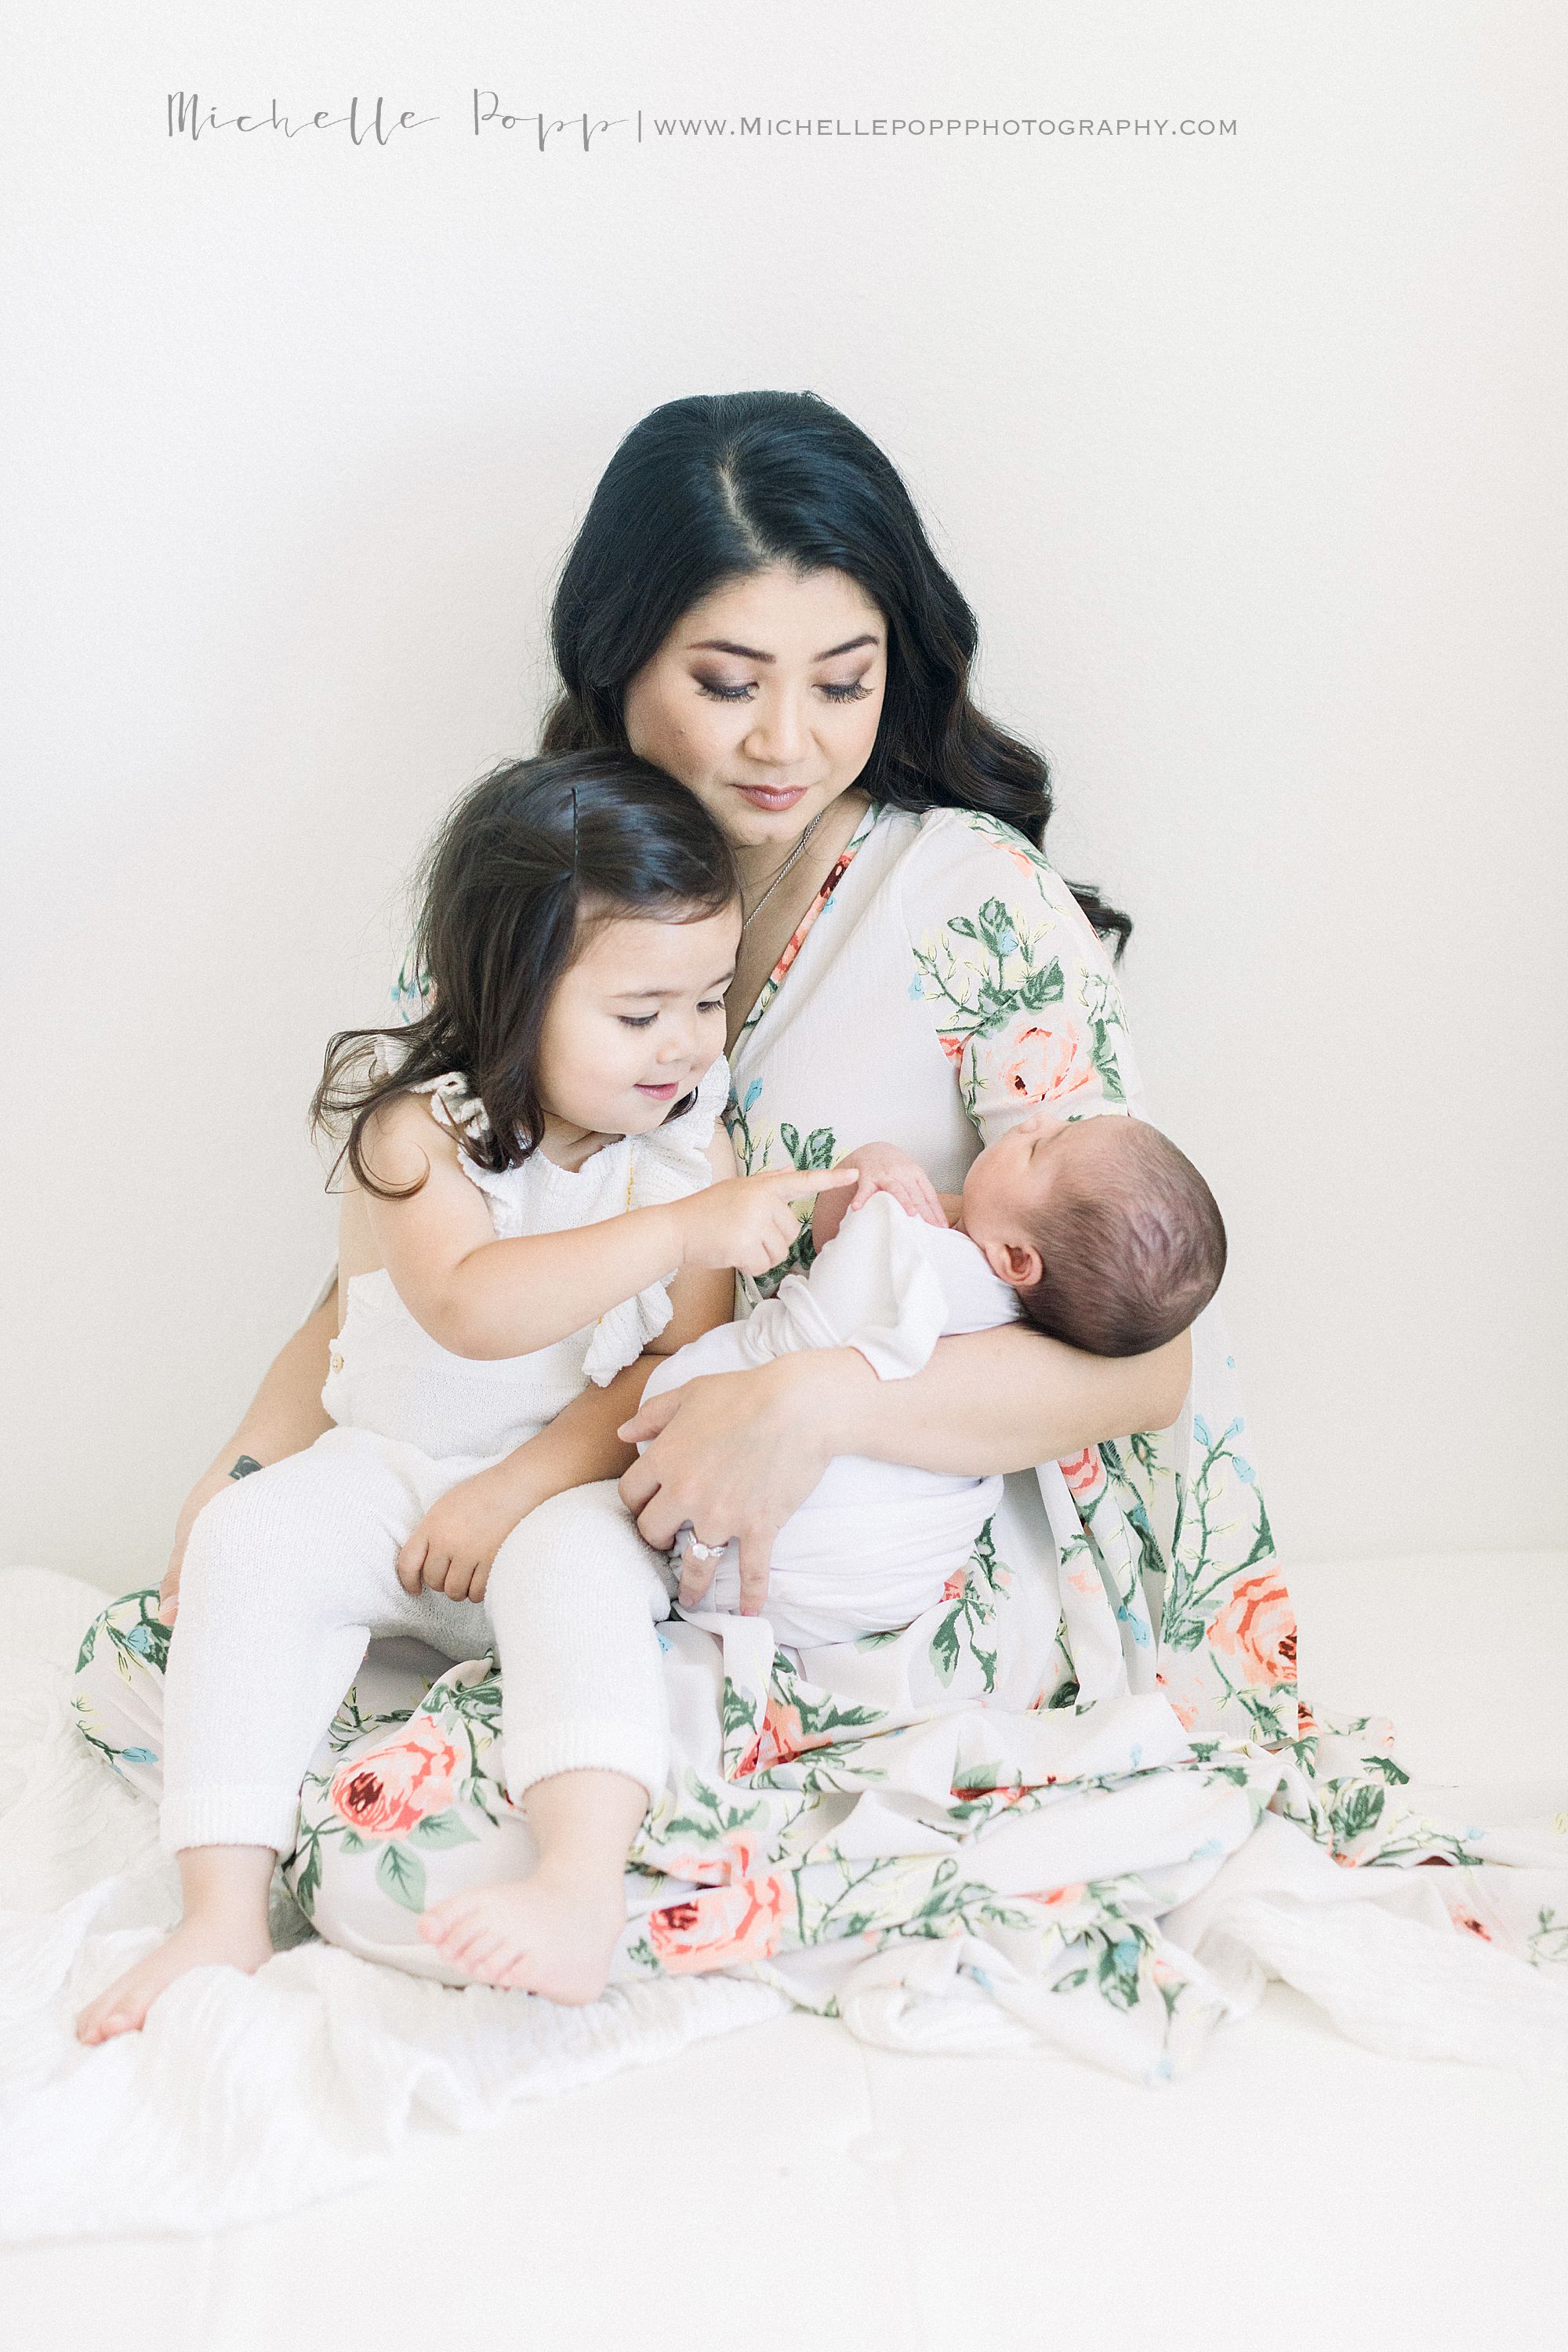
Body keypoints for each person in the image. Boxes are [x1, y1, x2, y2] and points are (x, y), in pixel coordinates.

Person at [78, 392, 1311, 2032]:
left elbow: (1142, 1369)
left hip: (832, 1556)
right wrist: (237, 1473)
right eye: (727, 683)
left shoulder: (976, 906)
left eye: (841, 682)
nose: (782, 742)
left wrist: (801, 1404)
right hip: (517, 1477)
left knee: (449, 1832)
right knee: (192, 1670)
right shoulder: (533, 887)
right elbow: (387, 1275)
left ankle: (598, 1849)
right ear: (620, 663)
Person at [74, 750, 862, 2040]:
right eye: (638, 1012)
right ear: (511, 995)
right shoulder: (415, 1129)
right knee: (251, 1541)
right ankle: (220, 1908)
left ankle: (576, 1882)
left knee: (587, 1569)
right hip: (387, 1472)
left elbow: (667, 1370)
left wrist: (516, 1489)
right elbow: (469, 1305)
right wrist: (679, 1237)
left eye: (709, 1001)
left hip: (556, 1486)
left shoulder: (686, 1152)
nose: (685, 1045)